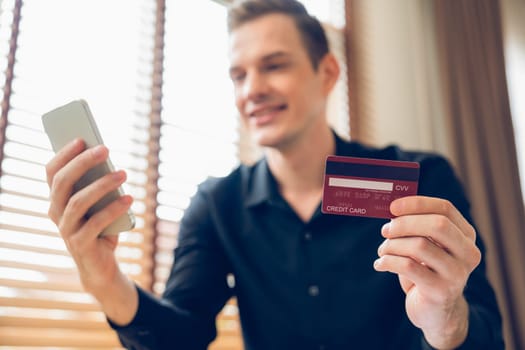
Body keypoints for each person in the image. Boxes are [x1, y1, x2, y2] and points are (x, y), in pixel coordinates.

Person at [45, 0, 505, 349]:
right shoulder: (217, 205)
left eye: (274, 65)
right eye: (238, 75)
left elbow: (487, 331)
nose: (252, 90)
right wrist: (104, 279)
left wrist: (445, 314)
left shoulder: (420, 178)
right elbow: (180, 337)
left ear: (326, 73)